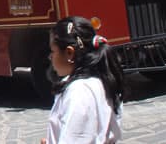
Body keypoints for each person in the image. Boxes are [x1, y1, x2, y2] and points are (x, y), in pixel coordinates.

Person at [42, 16, 124, 144]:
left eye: (53, 51)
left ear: (69, 53)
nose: (50, 57)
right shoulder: (102, 80)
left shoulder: (78, 92)